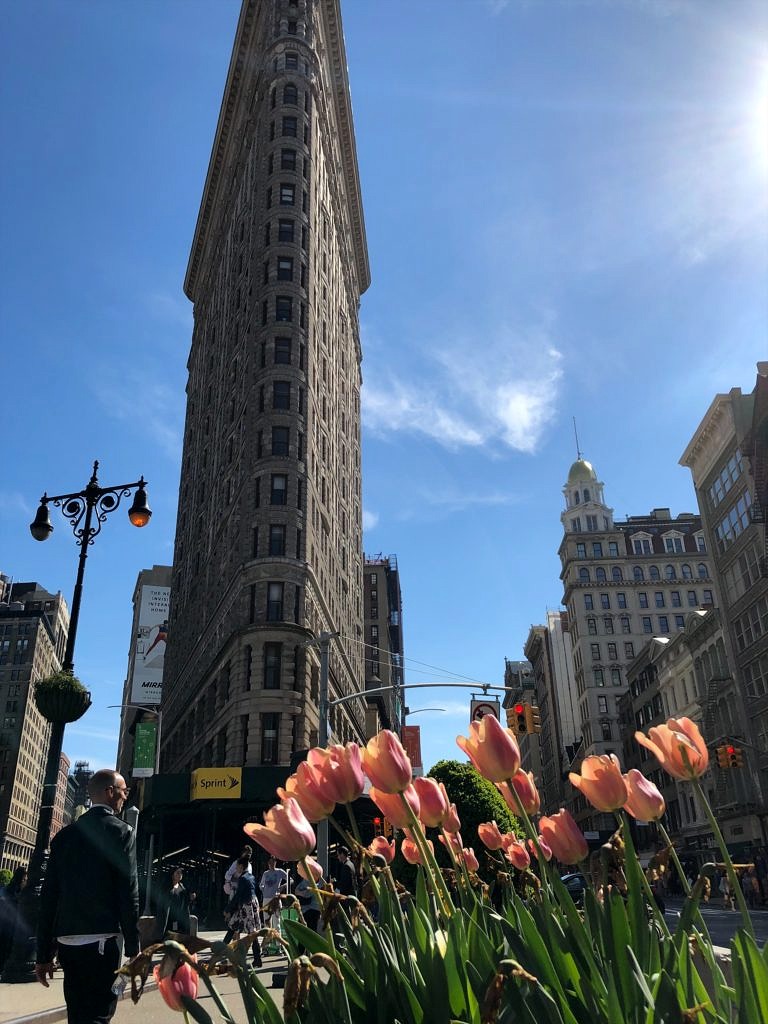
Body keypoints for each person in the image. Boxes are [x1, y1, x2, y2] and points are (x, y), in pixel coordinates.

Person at [35, 768, 139, 1024]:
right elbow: (128, 892)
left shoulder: (64, 837)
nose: (126, 796)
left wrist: (42, 955)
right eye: (124, 791)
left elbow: (49, 898)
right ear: (110, 792)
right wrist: (135, 948)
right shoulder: (122, 832)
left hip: (68, 943)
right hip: (103, 940)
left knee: (77, 1014)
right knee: (100, 1014)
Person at [225, 856, 262, 967]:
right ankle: (221, 951)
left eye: (237, 866)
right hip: (251, 905)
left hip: (246, 906)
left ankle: (257, 959)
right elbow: (258, 891)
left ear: (241, 866)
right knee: (235, 925)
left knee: (250, 932)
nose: (236, 869)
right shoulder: (251, 877)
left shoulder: (242, 878)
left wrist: (228, 909)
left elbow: (238, 896)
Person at [0, 866, 27, 971]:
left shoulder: (7, 889)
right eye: (25, 879)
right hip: (12, 925)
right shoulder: (20, 892)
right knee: (8, 948)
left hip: (4, 923)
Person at [158, 867, 191, 937]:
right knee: (169, 935)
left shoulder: (182, 887)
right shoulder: (167, 887)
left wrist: (190, 898)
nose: (180, 875)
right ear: (172, 874)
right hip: (169, 917)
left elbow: (185, 902)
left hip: (178, 918)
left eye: (181, 873)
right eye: (178, 873)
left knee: (176, 934)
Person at [259, 856, 288, 930]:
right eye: (269, 863)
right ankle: (268, 940)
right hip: (266, 899)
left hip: (275, 898)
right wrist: (262, 888)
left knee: (276, 922)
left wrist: (283, 886)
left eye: (273, 862)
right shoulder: (265, 873)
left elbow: (291, 880)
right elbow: (261, 884)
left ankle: (278, 940)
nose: (271, 864)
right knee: (267, 922)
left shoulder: (279, 872)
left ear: (275, 863)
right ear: (268, 863)